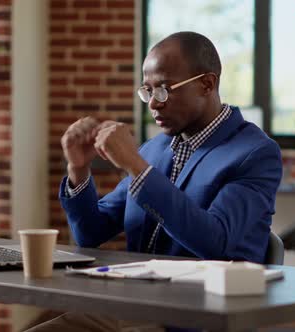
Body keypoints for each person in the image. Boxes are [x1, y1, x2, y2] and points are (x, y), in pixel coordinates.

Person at [27, 31, 282, 332]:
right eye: (147, 91)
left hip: (198, 316)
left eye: (163, 90)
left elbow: (217, 243)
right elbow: (91, 234)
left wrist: (135, 166)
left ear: (207, 84)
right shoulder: (155, 149)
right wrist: (79, 169)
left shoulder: (254, 153)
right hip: (135, 305)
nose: (153, 104)